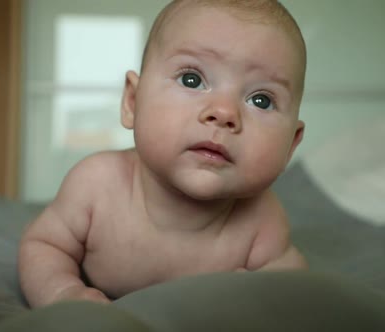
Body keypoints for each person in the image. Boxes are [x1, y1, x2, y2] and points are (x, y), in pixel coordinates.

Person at [19, 0, 308, 307]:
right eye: (192, 79)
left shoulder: (262, 220)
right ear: (133, 102)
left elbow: (292, 288)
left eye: (261, 100)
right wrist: (63, 293)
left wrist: (259, 296)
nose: (224, 113)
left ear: (291, 144)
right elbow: (44, 245)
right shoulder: (96, 185)